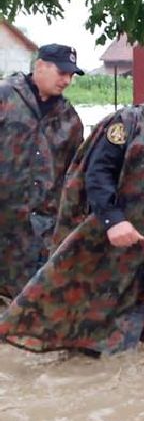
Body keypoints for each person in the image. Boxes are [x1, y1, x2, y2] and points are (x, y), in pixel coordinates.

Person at [0, 63, 144, 359]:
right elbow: (97, 173)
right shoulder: (130, 123)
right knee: (94, 332)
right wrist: (113, 220)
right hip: (121, 238)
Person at [0, 44, 85, 298]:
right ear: (40, 66)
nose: (67, 81)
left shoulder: (69, 118)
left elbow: (77, 172)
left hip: (42, 225)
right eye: (62, 73)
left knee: (33, 295)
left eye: (71, 75)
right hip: (5, 214)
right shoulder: (5, 98)